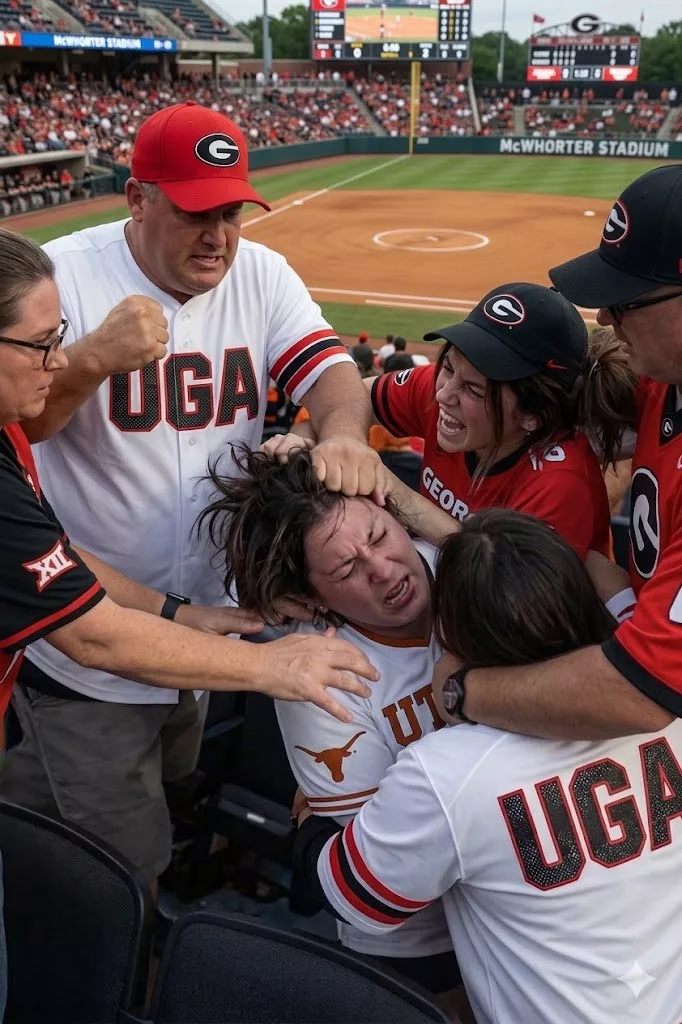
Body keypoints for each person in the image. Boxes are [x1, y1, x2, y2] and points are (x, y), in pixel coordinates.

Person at [0, 103, 385, 883]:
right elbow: (19, 425)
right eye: (194, 211)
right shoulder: (61, 277)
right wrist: (90, 360)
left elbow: (331, 372)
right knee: (111, 864)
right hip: (87, 642)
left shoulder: (262, 272)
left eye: (232, 211)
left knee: (181, 784)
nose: (218, 234)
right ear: (137, 198)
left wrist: (341, 431)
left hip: (204, 620)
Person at [292, 509, 682, 1024]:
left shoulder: (448, 773)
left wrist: (307, 823)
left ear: (457, 637)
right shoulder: (666, 704)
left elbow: (356, 901)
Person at [198, 446, 461, 1000]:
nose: (385, 570)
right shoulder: (318, 678)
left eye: (380, 536)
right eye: (347, 569)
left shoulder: (462, 564)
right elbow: (389, 870)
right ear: (306, 600)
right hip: (416, 941)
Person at [430, 164, 682, 740]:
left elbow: (639, 693)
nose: (605, 317)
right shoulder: (658, 378)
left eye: (628, 301)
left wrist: (460, 690)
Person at [269, 283, 636, 559]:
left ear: (532, 417)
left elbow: (501, 581)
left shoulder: (562, 482)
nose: (443, 395)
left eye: (475, 391)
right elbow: (349, 397)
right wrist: (308, 435)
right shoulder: (443, 388)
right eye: (447, 366)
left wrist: (387, 485)